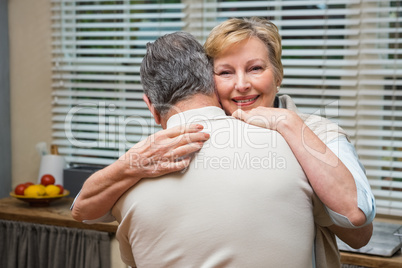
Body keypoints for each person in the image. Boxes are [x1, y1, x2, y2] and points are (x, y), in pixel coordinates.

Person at [72, 18, 375, 267]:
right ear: (209, 81)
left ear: (278, 74)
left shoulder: (317, 132)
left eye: (255, 68)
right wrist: (129, 165)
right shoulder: (167, 148)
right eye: (226, 72)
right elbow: (84, 209)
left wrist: (290, 127)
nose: (242, 84)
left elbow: (359, 231)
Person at [101, 31, 322, 267]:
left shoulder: (126, 185)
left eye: (255, 69)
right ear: (213, 85)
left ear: (151, 107)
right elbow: (351, 225)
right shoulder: (296, 150)